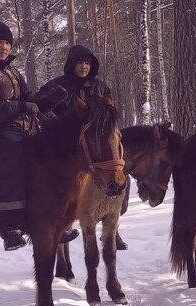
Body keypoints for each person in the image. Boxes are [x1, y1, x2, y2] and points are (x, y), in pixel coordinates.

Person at [0, 20, 79, 251]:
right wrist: (21, 107)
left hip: (23, 130)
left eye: (8, 42)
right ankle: (10, 227)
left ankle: (50, 217)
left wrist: (49, 100)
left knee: (50, 158)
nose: (5, 47)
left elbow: (29, 100)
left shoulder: (12, 71)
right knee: (13, 162)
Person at [37, 45, 130, 249]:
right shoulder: (56, 86)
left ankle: (113, 227)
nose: (83, 67)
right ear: (71, 64)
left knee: (119, 172)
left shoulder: (101, 87)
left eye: (87, 63)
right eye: (79, 63)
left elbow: (110, 113)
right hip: (66, 143)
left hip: (96, 141)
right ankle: (61, 222)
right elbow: (41, 108)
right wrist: (58, 124)